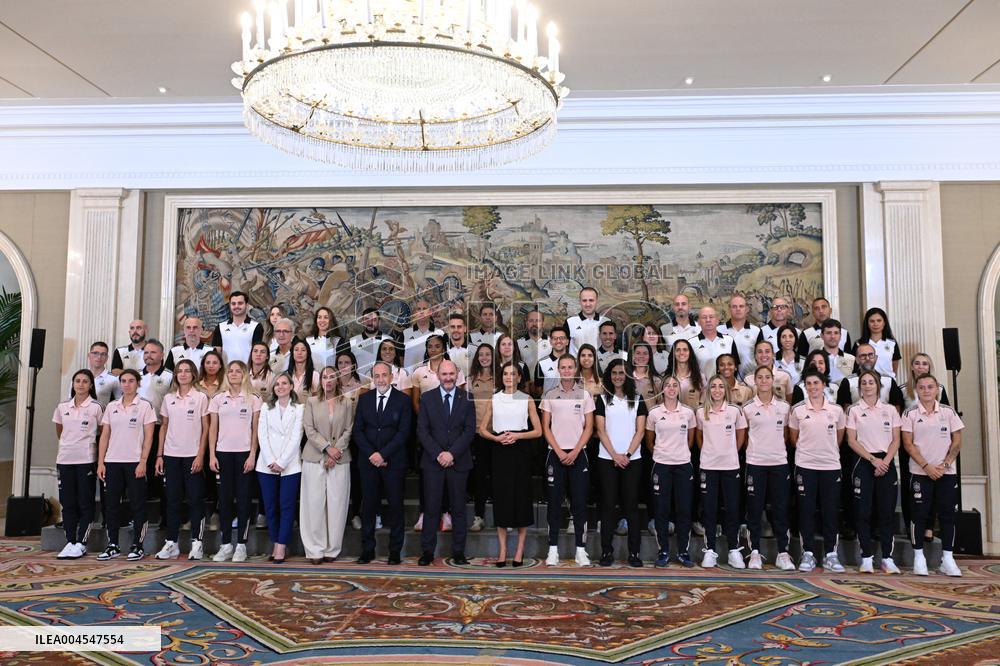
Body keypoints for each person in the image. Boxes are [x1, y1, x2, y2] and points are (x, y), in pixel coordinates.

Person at [478, 362, 542, 567]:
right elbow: (482, 429)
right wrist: (496, 439)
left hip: (521, 451)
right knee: (502, 499)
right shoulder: (495, 399)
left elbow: (538, 431)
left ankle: (519, 550)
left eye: (512, 374)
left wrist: (518, 435)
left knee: (521, 499)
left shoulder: (527, 399)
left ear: (519, 377)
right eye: (505, 374)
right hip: (500, 450)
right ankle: (503, 550)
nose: (508, 377)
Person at [902, 373, 964, 577]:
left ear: (937, 389)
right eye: (922, 387)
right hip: (920, 472)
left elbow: (956, 442)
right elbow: (908, 444)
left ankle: (948, 557)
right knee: (919, 515)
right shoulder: (910, 413)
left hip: (946, 472)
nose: (926, 390)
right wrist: (926, 466)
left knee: (947, 515)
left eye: (930, 387)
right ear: (916, 389)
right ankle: (918, 556)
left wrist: (945, 464)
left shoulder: (948, 412)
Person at [416, 360, 476, 565]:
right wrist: (439, 454)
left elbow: (469, 430)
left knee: (459, 508)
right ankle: (427, 552)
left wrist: (452, 454)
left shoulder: (467, 398)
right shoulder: (427, 398)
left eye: (452, 374)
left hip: (458, 463)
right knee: (431, 508)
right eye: (444, 374)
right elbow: (422, 431)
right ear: (438, 375)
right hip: (433, 463)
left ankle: (458, 552)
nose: (448, 378)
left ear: (457, 374)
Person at [353, 362, 413, 565]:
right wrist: (372, 454)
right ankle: (367, 550)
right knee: (369, 507)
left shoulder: (403, 400)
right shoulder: (364, 399)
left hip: (393, 462)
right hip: (368, 462)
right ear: (372, 378)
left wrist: (383, 454)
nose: (380, 379)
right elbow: (358, 431)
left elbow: (404, 432)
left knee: (396, 507)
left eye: (384, 375)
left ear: (391, 377)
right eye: (376, 376)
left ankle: (395, 551)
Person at [788, 369, 847, 572]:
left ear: (823, 385)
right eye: (809, 383)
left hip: (830, 466)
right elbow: (794, 439)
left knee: (830, 511)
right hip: (805, 465)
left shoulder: (837, 410)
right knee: (806, 510)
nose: (813, 387)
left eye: (816, 383)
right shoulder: (797, 410)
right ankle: (808, 553)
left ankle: (831, 554)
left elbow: (839, 438)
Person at [845, 370, 902, 574]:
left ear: (878, 386)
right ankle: (866, 557)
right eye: (864, 382)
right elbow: (851, 440)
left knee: (886, 513)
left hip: (886, 464)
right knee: (863, 513)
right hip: (864, 462)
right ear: (860, 387)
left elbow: (897, 439)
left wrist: (885, 461)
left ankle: (887, 558)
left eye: (871, 382)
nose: (868, 385)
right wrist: (873, 460)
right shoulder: (853, 410)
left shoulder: (890, 410)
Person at [96, 369, 157, 561]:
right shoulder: (112, 406)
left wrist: (143, 462)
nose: (127, 384)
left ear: (138, 383)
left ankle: (137, 545)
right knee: (111, 506)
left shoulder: (145, 406)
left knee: (138, 505)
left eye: (131, 381)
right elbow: (105, 436)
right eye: (123, 381)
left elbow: (149, 437)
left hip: (135, 462)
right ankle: (112, 544)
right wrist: (101, 463)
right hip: (112, 462)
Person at [541, 354, 595, 567]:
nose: (566, 370)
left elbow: (589, 427)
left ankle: (580, 550)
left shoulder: (584, 395)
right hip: (555, 454)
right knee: (554, 504)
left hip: (578, 455)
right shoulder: (550, 394)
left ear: (575, 369)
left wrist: (575, 451)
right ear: (558, 369)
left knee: (579, 504)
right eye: (562, 367)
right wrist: (560, 452)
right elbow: (546, 427)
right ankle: (552, 549)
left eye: (570, 367)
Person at [154, 359, 209, 560]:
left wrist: (201, 455)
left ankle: (197, 543)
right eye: (180, 371)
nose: (183, 374)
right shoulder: (169, 399)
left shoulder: (201, 397)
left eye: (187, 371)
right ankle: (171, 543)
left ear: (193, 374)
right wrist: (159, 454)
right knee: (172, 500)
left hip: (192, 455)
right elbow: (164, 427)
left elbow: (206, 429)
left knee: (195, 500)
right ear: (176, 375)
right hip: (171, 455)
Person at [594, 359, 647, 567]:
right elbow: (601, 430)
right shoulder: (603, 399)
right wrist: (615, 455)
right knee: (607, 506)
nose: (618, 376)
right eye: (614, 373)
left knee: (631, 506)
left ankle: (634, 553)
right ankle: (607, 552)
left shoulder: (637, 398)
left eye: (622, 373)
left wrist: (627, 453)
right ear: (610, 375)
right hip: (607, 459)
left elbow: (640, 430)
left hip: (632, 460)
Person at [742, 366, 794, 571]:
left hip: (779, 463)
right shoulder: (746, 408)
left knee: (780, 510)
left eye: (767, 377)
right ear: (755, 381)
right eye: (760, 377)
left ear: (773, 380)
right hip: (755, 464)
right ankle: (754, 552)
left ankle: (783, 553)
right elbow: (743, 436)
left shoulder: (784, 407)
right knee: (754, 510)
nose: (764, 381)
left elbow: (789, 435)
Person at [208, 361, 261, 562]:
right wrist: (212, 455)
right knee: (225, 500)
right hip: (223, 454)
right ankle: (225, 544)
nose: (234, 374)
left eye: (238, 371)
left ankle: (241, 545)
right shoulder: (218, 398)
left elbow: (255, 429)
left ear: (245, 374)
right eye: (230, 371)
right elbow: (213, 428)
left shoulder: (253, 398)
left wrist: (252, 454)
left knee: (244, 500)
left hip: (244, 454)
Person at [301, 365, 353, 564]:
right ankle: (315, 550)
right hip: (314, 457)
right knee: (313, 504)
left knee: (337, 504)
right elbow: (309, 429)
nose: (328, 380)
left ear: (338, 380)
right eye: (325, 377)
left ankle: (332, 549)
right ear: (320, 380)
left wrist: (336, 451)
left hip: (340, 459)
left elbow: (349, 429)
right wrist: (326, 449)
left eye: (332, 377)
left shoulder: (347, 402)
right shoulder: (312, 402)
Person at [695, 375, 747, 568]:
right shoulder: (701, 412)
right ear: (709, 390)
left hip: (730, 466)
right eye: (713, 387)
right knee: (709, 510)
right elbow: (699, 437)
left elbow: (741, 436)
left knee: (732, 509)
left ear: (726, 390)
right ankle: (710, 550)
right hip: (708, 466)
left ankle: (734, 550)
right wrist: (710, 452)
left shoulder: (735, 411)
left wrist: (729, 452)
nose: (717, 390)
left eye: (720, 387)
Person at [646, 376, 697, 567]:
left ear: (679, 389)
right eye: (667, 385)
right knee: (662, 509)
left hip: (683, 464)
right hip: (661, 464)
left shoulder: (688, 412)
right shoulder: (654, 413)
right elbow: (649, 441)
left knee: (684, 509)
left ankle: (683, 551)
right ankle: (664, 551)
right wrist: (663, 453)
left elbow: (691, 440)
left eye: (675, 385)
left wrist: (679, 453)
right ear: (662, 389)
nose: (671, 388)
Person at [53, 369, 104, 559]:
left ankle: (82, 542)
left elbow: (102, 432)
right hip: (65, 459)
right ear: (73, 384)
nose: (81, 384)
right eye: (77, 381)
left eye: (85, 381)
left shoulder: (96, 407)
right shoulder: (62, 406)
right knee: (67, 502)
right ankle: (70, 541)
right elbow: (60, 431)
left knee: (85, 501)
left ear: (91, 385)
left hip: (86, 460)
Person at [899, 353, 950, 540]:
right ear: (912, 367)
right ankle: (909, 523)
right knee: (908, 485)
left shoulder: (940, 388)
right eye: (917, 363)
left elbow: (947, 414)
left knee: (933, 484)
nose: (921, 367)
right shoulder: (903, 389)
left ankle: (929, 526)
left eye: (925, 364)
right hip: (910, 445)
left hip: (935, 444)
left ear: (929, 367)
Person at [256, 373, 304, 564]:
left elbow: (296, 437)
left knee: (287, 505)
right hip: (266, 464)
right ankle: (275, 539)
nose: (280, 386)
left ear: (292, 386)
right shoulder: (266, 408)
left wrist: (282, 462)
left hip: (290, 465)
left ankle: (281, 545)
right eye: (277, 384)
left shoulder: (300, 408)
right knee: (270, 506)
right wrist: (271, 460)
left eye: (284, 383)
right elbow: (262, 435)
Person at [468, 343, 496, 533]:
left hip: (497, 433)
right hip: (477, 434)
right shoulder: (471, 379)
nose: (484, 357)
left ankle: (504, 517)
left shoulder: (500, 378)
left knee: (499, 475)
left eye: (488, 354)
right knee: (479, 476)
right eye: (481, 354)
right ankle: (479, 517)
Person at [210, 291, 263, 365]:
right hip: (226, 373)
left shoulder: (256, 327)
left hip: (247, 373)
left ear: (247, 305)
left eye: (240, 303)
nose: (236, 306)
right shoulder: (221, 327)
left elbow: (258, 352)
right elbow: (217, 353)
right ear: (230, 305)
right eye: (233, 304)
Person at [718, 295, 762, 377]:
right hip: (725, 379)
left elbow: (761, 357)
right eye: (734, 306)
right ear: (729, 309)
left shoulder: (756, 331)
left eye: (741, 306)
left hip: (750, 378)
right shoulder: (719, 330)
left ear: (746, 309)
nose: (738, 309)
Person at [692, 306, 740, 379]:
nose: (708, 320)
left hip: (726, 387)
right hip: (704, 388)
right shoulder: (692, 342)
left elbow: (736, 367)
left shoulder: (729, 340)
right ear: (698, 322)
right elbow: (690, 369)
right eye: (704, 317)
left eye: (711, 317)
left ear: (717, 320)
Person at [855, 307, 901, 381]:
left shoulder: (892, 343)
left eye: (879, 321)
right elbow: (855, 366)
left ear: (884, 323)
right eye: (872, 321)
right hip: (866, 384)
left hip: (888, 383)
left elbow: (895, 365)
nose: (875, 324)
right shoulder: (859, 344)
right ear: (867, 323)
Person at [402, 299, 444, 372]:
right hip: (410, 379)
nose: (421, 312)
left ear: (430, 312)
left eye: (424, 309)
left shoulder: (440, 333)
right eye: (419, 309)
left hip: (433, 378)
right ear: (415, 312)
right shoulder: (405, 333)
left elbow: (444, 357)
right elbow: (400, 358)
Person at [565, 287, 609, 355]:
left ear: (597, 301)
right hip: (577, 365)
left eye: (591, 300)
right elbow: (563, 347)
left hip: (601, 364)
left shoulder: (606, 321)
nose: (588, 304)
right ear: (580, 301)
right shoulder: (570, 322)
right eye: (584, 300)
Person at [667, 338, 704, 410]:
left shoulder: (700, 377)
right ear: (673, 354)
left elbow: (703, 403)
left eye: (685, 350)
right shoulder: (666, 377)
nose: (681, 353)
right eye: (678, 350)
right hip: (671, 419)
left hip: (693, 418)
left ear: (690, 353)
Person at [534, 326, 570, 397]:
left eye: (562, 338)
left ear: (567, 342)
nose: (558, 341)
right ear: (550, 342)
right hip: (548, 406)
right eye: (555, 338)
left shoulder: (575, 362)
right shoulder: (541, 363)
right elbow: (539, 390)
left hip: (570, 405)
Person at [517, 309, 551, 378]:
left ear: (543, 323)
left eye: (538, 320)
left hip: (547, 385)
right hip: (525, 385)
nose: (534, 324)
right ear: (526, 323)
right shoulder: (518, 343)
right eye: (531, 321)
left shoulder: (552, 342)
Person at [818, 319, 855, 384]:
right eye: (829, 333)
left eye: (836, 333)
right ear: (822, 336)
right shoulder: (814, 360)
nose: (833, 336)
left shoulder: (852, 359)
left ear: (840, 336)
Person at [306, 306, 342, 372]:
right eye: (319, 317)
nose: (322, 320)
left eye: (326, 317)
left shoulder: (338, 341)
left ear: (331, 320)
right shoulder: (307, 341)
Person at [85, 342, 121, 407]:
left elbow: (119, 403)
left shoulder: (114, 379)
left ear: (107, 358)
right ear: (89, 355)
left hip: (103, 416)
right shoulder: (79, 377)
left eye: (103, 354)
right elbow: (71, 398)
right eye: (95, 353)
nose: (99, 357)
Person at [445, 313, 473, 378]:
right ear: (448, 329)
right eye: (452, 327)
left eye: (459, 327)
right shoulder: (442, 349)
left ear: (465, 329)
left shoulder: (475, 349)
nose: (456, 330)